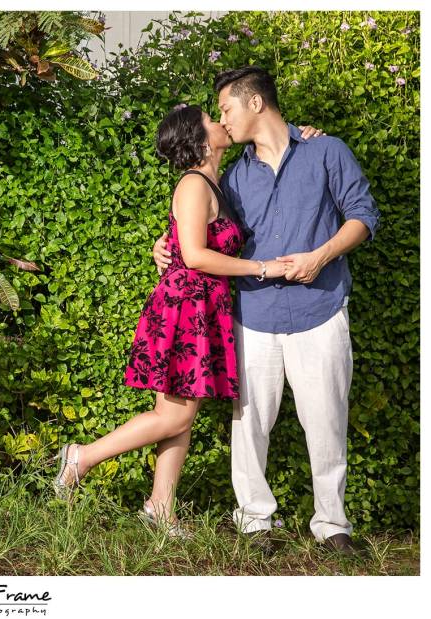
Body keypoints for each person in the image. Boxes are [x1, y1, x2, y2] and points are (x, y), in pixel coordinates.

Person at [51, 103, 321, 536]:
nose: (222, 123)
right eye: (213, 120)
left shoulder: (215, 182)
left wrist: (300, 134)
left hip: (202, 306)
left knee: (180, 412)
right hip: (186, 307)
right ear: (198, 138)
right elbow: (195, 255)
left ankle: (161, 507)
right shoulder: (195, 184)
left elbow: (185, 240)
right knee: (175, 415)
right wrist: (262, 268)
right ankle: (80, 457)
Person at [152, 67, 380, 554]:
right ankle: (255, 522)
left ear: (255, 104)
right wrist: (165, 243)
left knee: (326, 420)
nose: (223, 119)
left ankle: (332, 525)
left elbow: (363, 215)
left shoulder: (326, 151)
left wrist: (321, 256)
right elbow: (205, 227)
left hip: (320, 308)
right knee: (250, 423)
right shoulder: (233, 175)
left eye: (226, 108)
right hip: (254, 314)